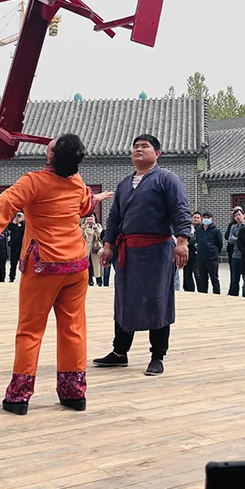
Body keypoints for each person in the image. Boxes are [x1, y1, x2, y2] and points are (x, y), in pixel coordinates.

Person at [0, 133, 112, 415]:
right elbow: (85, 206)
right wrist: (95, 197)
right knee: (73, 329)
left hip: (44, 264)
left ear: (51, 155)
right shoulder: (77, 182)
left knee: (30, 330)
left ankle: (19, 397)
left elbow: (5, 203)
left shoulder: (34, 181)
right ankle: (74, 393)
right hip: (76, 264)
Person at [93, 134, 191, 376]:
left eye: (144, 146)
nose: (138, 149)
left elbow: (180, 210)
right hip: (128, 251)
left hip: (157, 250)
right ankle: (119, 352)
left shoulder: (167, 179)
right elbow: (115, 217)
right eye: (135, 146)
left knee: (157, 299)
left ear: (157, 153)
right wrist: (108, 246)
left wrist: (182, 242)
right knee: (124, 299)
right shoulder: (124, 184)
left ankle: (157, 355)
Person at [195, 211, 223, 294]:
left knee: (214, 278)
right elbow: (197, 240)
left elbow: (220, 244)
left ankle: (217, 295)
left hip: (212, 259)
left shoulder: (216, 231)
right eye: (204, 217)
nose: (206, 219)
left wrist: (214, 252)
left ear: (211, 219)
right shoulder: (199, 230)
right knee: (203, 279)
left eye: (208, 217)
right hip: (201, 258)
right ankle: (203, 295)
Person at [227, 208, 245, 296]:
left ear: (243, 215)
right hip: (235, 255)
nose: (238, 217)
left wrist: (237, 239)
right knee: (235, 279)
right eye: (235, 215)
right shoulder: (233, 227)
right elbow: (230, 240)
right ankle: (234, 295)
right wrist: (238, 239)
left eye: (239, 214)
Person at [183, 211, 202, 292]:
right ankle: (189, 291)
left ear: (201, 219)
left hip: (197, 255)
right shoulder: (188, 228)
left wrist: (189, 241)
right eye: (194, 217)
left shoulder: (202, 229)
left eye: (198, 218)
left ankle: (201, 291)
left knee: (198, 274)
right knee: (187, 274)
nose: (196, 219)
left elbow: (195, 239)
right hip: (187, 253)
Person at [82, 214, 103, 286]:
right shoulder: (83, 227)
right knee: (88, 266)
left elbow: (99, 235)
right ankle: (90, 281)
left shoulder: (98, 226)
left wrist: (94, 225)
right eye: (88, 217)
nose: (90, 219)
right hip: (87, 249)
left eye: (92, 217)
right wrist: (85, 225)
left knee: (97, 266)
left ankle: (99, 282)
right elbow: (81, 235)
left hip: (95, 249)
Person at [7, 212, 25, 282]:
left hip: (22, 247)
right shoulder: (13, 225)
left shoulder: (24, 225)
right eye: (18, 216)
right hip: (14, 247)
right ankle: (11, 278)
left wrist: (22, 221)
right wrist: (14, 222)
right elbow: (9, 227)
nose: (18, 217)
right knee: (13, 264)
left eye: (20, 216)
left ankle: (23, 278)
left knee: (24, 264)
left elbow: (26, 228)